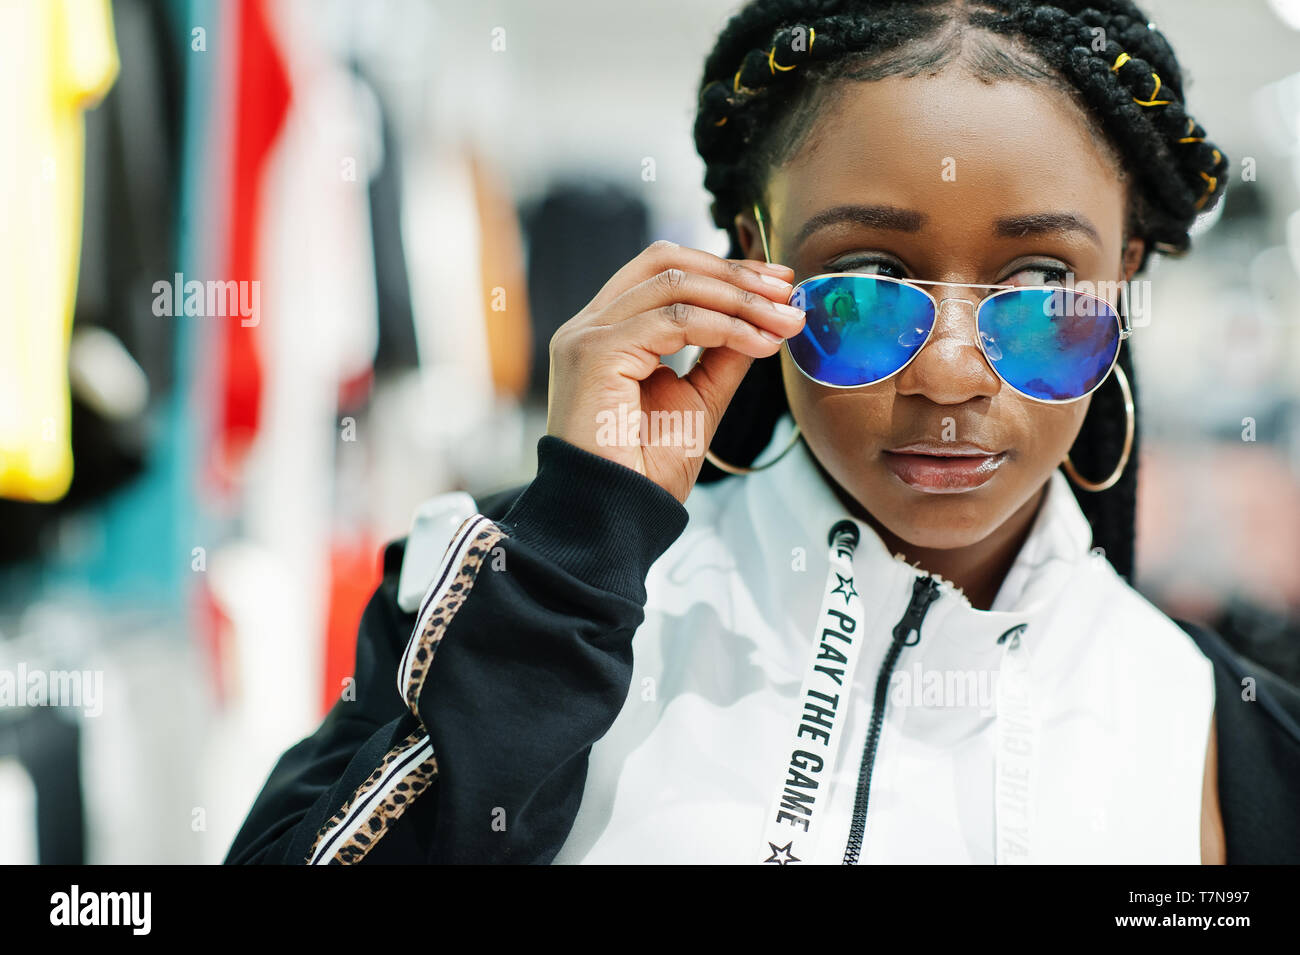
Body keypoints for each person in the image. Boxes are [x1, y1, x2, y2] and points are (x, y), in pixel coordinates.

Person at [226, 0, 1300, 865]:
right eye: (868, 281)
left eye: (1040, 284)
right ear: (753, 253)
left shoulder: (1225, 735)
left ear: (1127, 283)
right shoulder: (522, 607)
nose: (948, 373)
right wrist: (574, 553)